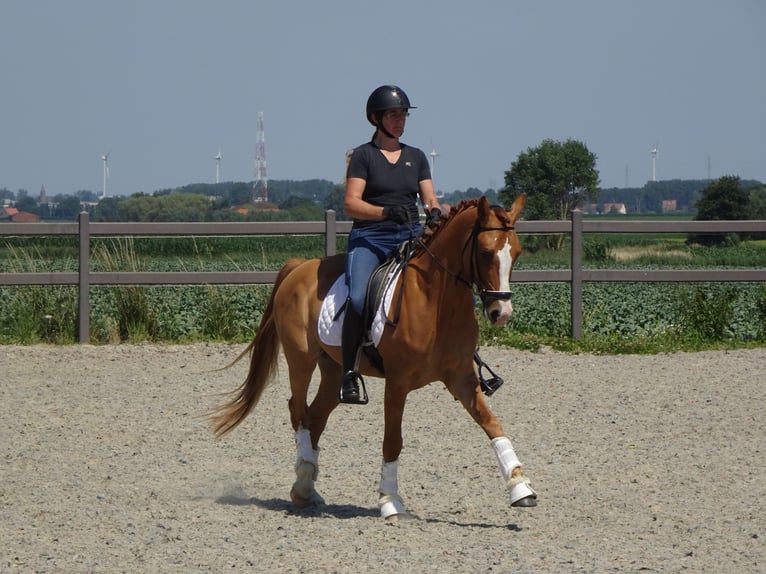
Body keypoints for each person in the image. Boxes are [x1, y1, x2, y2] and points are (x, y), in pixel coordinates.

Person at [339, 84, 441, 404]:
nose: (400, 121)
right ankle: (350, 373)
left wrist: (435, 212)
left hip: (410, 236)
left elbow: (429, 198)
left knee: (448, 281)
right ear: (376, 119)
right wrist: (384, 211)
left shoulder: (417, 157)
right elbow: (351, 205)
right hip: (371, 238)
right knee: (357, 299)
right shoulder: (363, 157)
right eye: (394, 115)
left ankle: (465, 355)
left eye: (403, 115)